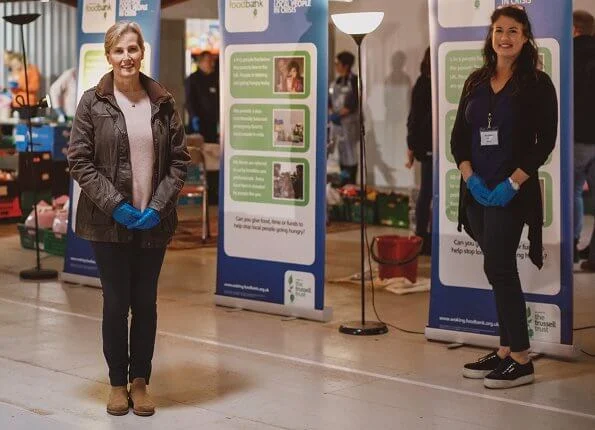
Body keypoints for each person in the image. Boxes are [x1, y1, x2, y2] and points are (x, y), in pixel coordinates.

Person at [67, 21, 189, 416]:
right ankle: (117, 383)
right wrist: (115, 204)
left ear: (142, 53)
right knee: (117, 303)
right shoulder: (92, 102)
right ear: (109, 55)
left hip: (153, 221)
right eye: (119, 51)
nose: (127, 57)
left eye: (133, 49)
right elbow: (79, 161)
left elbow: (179, 162)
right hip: (108, 222)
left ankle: (141, 382)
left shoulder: (164, 103)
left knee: (146, 304)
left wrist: (157, 207)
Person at [451, 6, 557, 389]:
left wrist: (512, 182)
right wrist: (470, 178)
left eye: (513, 30)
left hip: (512, 191)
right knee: (494, 268)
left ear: (525, 37)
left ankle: (522, 359)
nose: (505, 37)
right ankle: (505, 349)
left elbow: (544, 141)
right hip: (476, 191)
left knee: (500, 269)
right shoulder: (476, 81)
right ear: (491, 35)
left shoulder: (537, 84)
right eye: (499, 30)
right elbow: (458, 140)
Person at [572, 10, 595, 271]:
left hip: (577, 136)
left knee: (574, 191)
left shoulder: (569, 54)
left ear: (575, 29)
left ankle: (573, 246)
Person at [406, 47, 433, 255]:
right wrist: (412, 146)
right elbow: (414, 117)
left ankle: (425, 232)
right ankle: (422, 234)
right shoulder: (424, 84)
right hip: (428, 145)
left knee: (428, 190)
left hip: (431, 144)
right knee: (427, 190)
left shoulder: (426, 83)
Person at [329, 51, 359, 185]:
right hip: (337, 125)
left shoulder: (354, 81)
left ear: (346, 65)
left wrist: (338, 114)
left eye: (337, 63)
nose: (336, 66)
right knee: (339, 154)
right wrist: (331, 114)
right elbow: (330, 100)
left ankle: (351, 183)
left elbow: (352, 104)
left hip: (349, 125)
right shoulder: (335, 83)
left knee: (350, 155)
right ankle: (342, 183)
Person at [184, 51, 219, 143]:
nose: (212, 64)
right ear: (200, 63)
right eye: (208, 61)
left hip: (213, 123)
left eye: (212, 61)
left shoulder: (215, 79)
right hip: (199, 124)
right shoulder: (192, 79)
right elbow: (189, 101)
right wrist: (194, 117)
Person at [4, 50, 40, 115]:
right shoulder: (18, 72)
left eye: (15, 64)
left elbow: (35, 87)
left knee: (25, 124)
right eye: (12, 65)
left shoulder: (32, 70)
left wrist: (20, 86)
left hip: (28, 104)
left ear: (21, 61)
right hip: (16, 104)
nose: (14, 66)